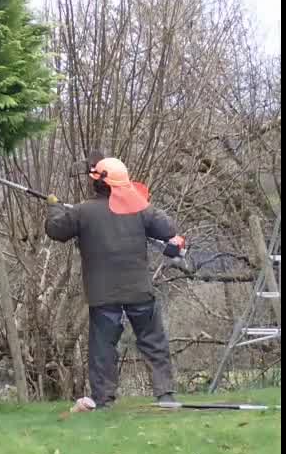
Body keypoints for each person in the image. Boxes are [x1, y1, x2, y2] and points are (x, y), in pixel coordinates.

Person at [44, 156, 186, 409]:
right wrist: (142, 203)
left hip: (103, 295)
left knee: (103, 349)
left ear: (97, 183)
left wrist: (54, 206)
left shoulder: (82, 211)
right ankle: (165, 395)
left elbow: (56, 230)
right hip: (139, 290)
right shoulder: (140, 209)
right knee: (153, 342)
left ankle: (104, 400)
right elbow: (167, 228)